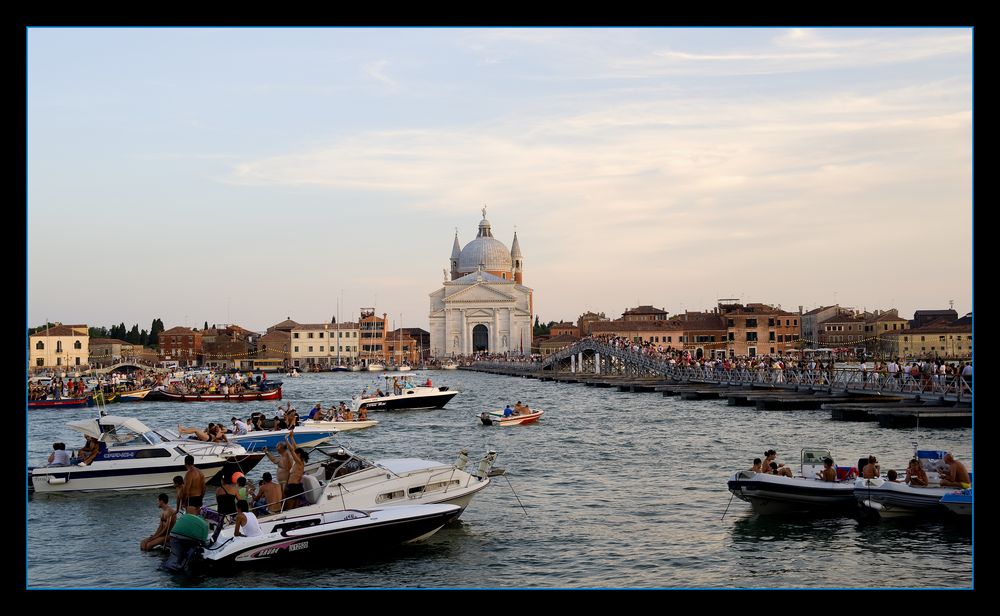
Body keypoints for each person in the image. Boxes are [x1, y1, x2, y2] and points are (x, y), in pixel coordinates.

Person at [283, 433, 305, 511]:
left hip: (294, 487)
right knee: (294, 508)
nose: (294, 454)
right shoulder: (298, 462)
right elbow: (295, 448)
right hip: (295, 486)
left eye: (296, 454)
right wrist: (292, 438)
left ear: (299, 455)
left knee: (289, 508)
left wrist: (286, 439)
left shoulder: (299, 462)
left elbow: (292, 450)